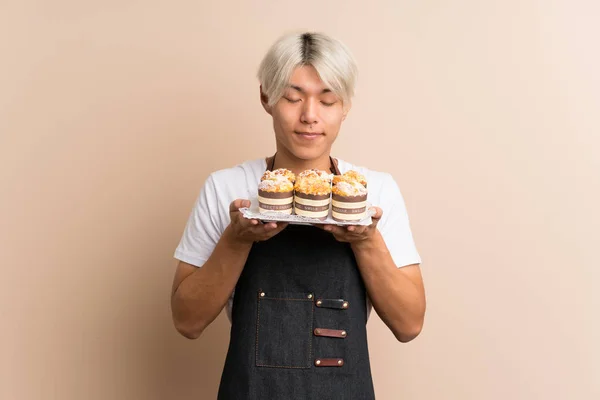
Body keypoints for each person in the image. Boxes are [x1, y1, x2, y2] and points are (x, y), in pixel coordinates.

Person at [170, 32, 426, 400]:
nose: (309, 116)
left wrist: (367, 240)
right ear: (266, 97)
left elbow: (409, 324)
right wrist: (237, 239)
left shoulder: (374, 191)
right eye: (292, 98)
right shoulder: (228, 187)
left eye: (327, 100)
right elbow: (186, 321)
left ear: (346, 106)